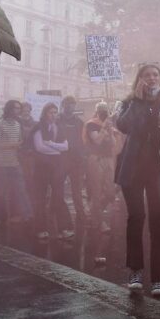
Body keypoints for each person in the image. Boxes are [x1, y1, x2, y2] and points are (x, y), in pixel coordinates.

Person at [116, 64, 160, 297]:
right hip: (132, 170)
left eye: (155, 75)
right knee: (136, 218)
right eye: (147, 75)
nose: (152, 78)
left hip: (157, 171)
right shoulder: (129, 102)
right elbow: (122, 125)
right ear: (140, 80)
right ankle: (135, 271)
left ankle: (158, 278)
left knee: (157, 223)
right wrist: (138, 100)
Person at [31, 102, 74, 240]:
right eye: (51, 112)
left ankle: (65, 228)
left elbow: (66, 146)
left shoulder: (58, 127)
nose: (53, 115)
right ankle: (40, 229)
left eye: (55, 112)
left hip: (55, 167)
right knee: (40, 198)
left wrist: (51, 144)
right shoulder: (38, 127)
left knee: (58, 196)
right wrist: (57, 150)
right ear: (45, 113)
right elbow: (39, 147)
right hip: (41, 167)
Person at [0, 100, 33, 224]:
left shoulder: (17, 124)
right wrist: (13, 145)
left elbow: (20, 142)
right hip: (0, 164)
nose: (18, 111)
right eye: (16, 108)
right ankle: (0, 218)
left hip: (14, 163)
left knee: (21, 189)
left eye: (19, 108)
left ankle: (28, 215)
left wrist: (21, 147)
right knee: (0, 193)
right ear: (9, 109)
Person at [85, 101, 119, 235]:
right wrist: (104, 128)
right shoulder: (91, 124)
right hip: (96, 158)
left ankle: (93, 210)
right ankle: (97, 222)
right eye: (102, 110)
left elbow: (113, 143)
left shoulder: (108, 125)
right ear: (97, 111)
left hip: (108, 158)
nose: (105, 113)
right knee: (97, 191)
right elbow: (97, 141)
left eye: (106, 110)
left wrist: (110, 132)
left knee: (111, 191)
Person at [57, 96, 87, 227]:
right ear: (63, 105)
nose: (71, 106)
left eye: (73, 104)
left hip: (76, 161)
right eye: (68, 103)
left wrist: (82, 158)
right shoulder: (56, 120)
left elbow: (82, 141)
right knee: (57, 189)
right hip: (60, 160)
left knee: (77, 191)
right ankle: (58, 217)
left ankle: (81, 216)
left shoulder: (79, 122)